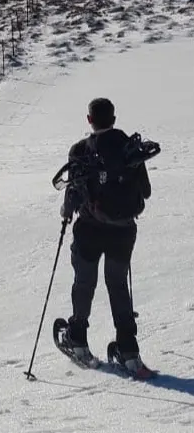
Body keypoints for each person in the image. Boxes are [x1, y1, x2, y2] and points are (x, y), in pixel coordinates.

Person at [59, 97, 153, 378]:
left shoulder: (79, 150)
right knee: (118, 285)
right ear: (113, 118)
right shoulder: (129, 148)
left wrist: (67, 212)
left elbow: (73, 193)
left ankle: (77, 341)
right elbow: (145, 191)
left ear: (89, 120)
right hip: (123, 232)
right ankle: (129, 352)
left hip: (89, 230)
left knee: (85, 282)